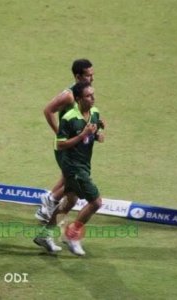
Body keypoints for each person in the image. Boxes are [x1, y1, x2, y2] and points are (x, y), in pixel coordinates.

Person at [34, 81, 105, 256]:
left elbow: (92, 133)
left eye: (93, 94)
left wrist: (97, 134)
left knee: (71, 201)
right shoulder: (68, 118)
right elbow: (60, 145)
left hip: (84, 165)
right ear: (79, 99)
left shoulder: (95, 113)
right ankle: (72, 235)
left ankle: (45, 234)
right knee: (96, 202)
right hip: (73, 167)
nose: (93, 98)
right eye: (88, 96)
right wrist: (83, 135)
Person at [35, 59, 95, 222]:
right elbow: (48, 110)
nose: (92, 78)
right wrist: (59, 133)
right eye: (89, 75)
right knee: (71, 180)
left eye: (93, 75)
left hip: (74, 142)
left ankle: (48, 204)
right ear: (78, 76)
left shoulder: (82, 92)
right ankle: (48, 204)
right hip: (66, 144)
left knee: (66, 178)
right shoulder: (69, 96)